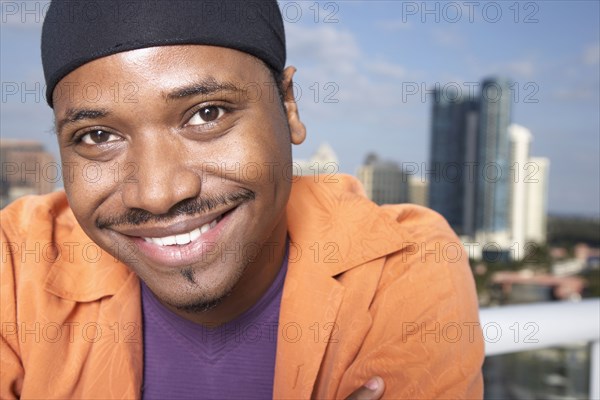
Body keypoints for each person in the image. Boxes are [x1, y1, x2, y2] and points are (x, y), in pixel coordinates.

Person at [0, 0, 484, 398]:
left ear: (289, 106)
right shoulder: (16, 261)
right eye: (98, 135)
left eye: (207, 113)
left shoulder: (399, 261)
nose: (157, 193)